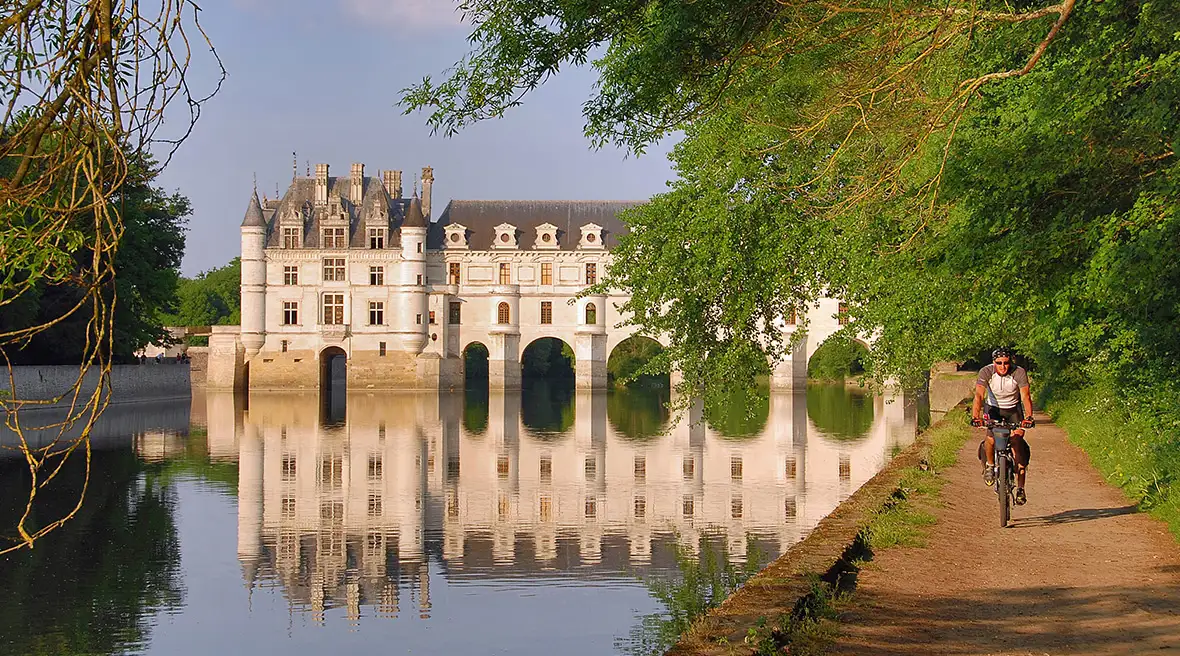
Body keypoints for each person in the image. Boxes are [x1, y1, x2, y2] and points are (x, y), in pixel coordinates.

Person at [971, 348, 1035, 505]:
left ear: (1010, 362)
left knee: (1017, 441)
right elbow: (979, 395)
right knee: (990, 439)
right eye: (999, 363)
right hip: (993, 409)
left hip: (1013, 410)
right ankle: (990, 465)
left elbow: (1025, 396)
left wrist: (1028, 417)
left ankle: (1020, 488)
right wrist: (975, 417)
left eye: (1006, 363)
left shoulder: (1019, 372)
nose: (1003, 366)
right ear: (994, 362)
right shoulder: (986, 372)